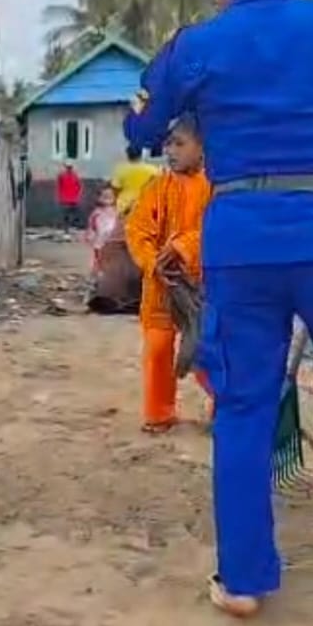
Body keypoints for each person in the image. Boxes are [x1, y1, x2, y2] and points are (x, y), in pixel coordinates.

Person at [124, 0, 313, 619]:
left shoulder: (199, 44)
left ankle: (242, 581)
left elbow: (141, 130)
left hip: (240, 241)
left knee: (243, 406)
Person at [125, 120, 213, 434]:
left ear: (202, 147)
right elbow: (137, 231)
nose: (170, 151)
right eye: (168, 144)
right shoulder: (156, 188)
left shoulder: (213, 188)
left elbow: (215, 230)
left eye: (179, 144)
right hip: (161, 287)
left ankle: (223, 407)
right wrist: (152, 262)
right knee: (159, 349)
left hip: (202, 287)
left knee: (207, 348)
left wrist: (182, 246)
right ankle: (159, 414)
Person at [111, 145, 161, 215]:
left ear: (127, 155)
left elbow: (115, 189)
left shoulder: (121, 170)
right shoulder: (153, 170)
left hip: (125, 206)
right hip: (146, 206)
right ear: (141, 154)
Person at [85, 186, 120, 277]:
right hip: (100, 240)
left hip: (113, 241)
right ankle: (98, 273)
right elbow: (92, 226)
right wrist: (90, 236)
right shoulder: (96, 213)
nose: (107, 199)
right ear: (99, 198)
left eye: (110, 196)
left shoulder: (118, 212)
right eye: (104, 196)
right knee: (99, 258)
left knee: (112, 259)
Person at [57, 163, 84, 229]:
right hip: (66, 199)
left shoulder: (74, 176)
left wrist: (78, 195)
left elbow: (80, 186)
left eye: (70, 167)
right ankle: (67, 226)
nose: (69, 169)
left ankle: (73, 225)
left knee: (74, 213)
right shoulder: (62, 176)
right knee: (67, 214)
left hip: (72, 199)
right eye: (68, 167)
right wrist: (60, 197)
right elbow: (59, 186)